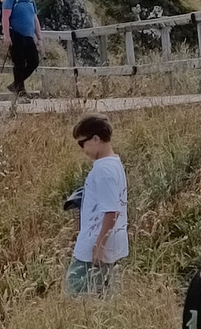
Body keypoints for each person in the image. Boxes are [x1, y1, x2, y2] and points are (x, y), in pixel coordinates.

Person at [65, 115, 128, 297]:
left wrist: (99, 246)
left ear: (95, 139)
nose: (83, 149)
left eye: (82, 143)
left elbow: (111, 211)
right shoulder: (114, 163)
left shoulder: (103, 170)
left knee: (75, 295)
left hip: (93, 247)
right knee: (101, 297)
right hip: (109, 244)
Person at [2, 0, 42, 100]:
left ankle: (16, 84)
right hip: (16, 34)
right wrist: (7, 36)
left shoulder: (31, 0)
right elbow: (5, 17)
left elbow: (35, 19)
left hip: (28, 36)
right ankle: (20, 91)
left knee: (34, 61)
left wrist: (39, 36)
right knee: (19, 63)